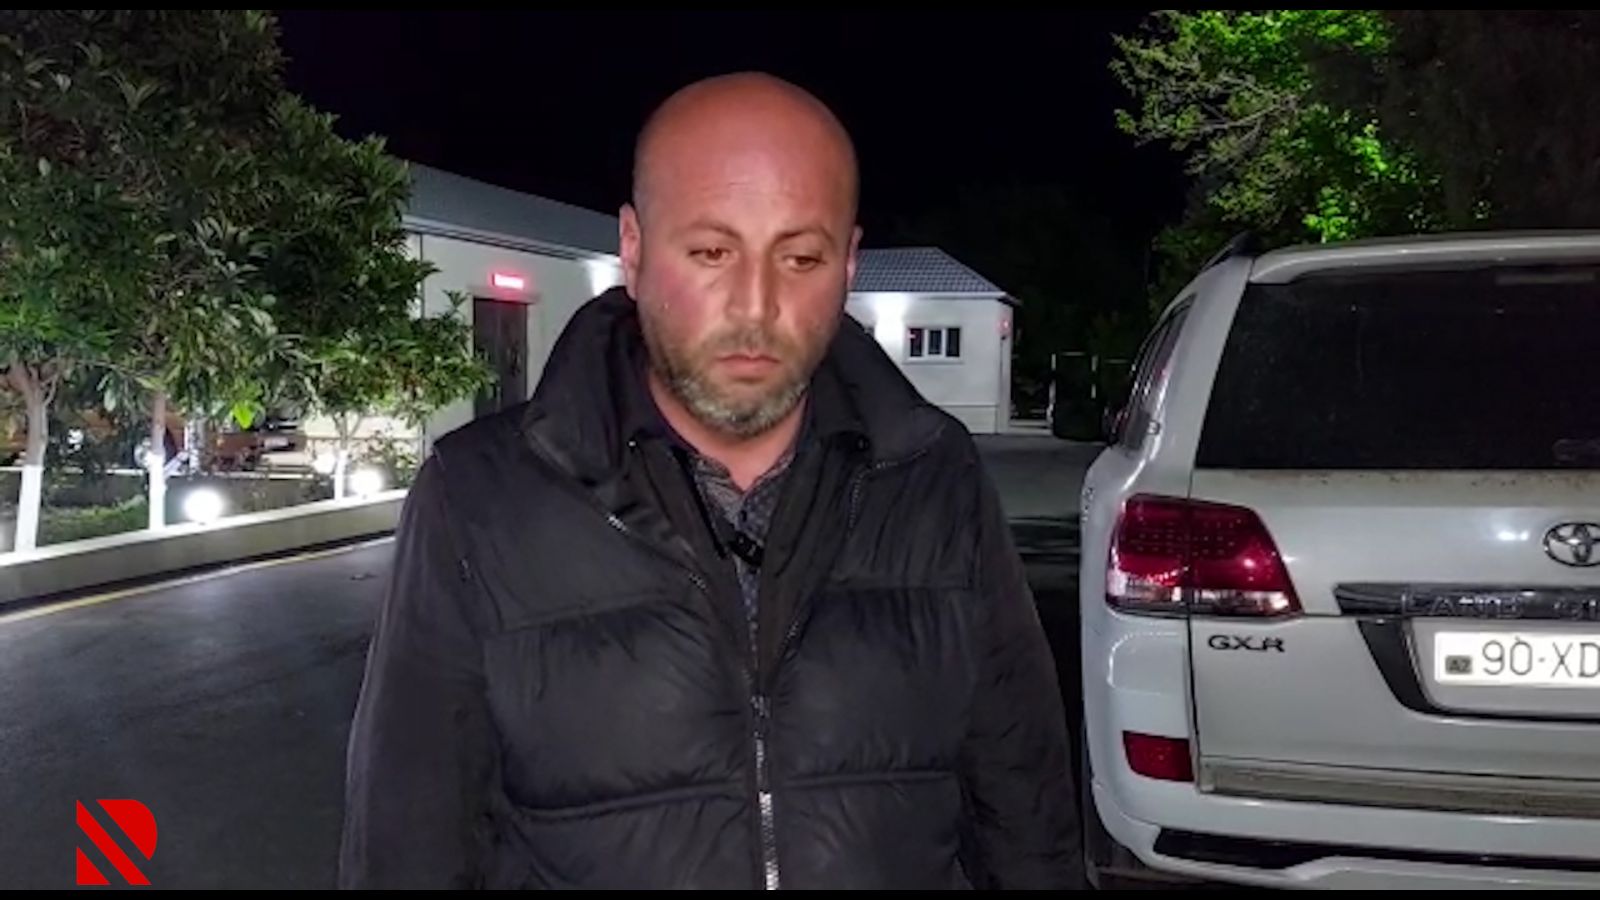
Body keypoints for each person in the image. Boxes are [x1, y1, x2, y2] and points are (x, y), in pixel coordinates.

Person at [338, 71, 1080, 890]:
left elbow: (1028, 820)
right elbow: (407, 848)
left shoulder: (935, 480)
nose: (755, 306)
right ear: (633, 250)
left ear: (848, 264)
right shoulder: (476, 500)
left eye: (800, 257)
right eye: (711, 253)